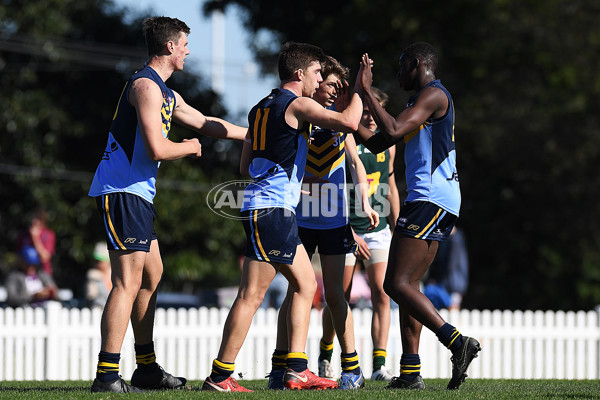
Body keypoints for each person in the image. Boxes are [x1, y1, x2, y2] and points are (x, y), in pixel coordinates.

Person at [87, 16, 247, 393]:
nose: (189, 50)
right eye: (185, 44)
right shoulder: (145, 85)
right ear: (170, 47)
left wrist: (257, 132)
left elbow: (205, 121)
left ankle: (145, 368)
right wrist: (190, 147)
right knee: (126, 282)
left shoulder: (165, 92)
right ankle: (107, 375)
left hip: (138, 194)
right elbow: (159, 146)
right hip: (121, 191)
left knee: (151, 275)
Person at [201, 41, 364, 392]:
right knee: (252, 295)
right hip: (272, 211)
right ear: (299, 73)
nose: (321, 80)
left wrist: (291, 186)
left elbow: (247, 166)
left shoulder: (259, 108)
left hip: (268, 207)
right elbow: (350, 122)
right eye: (318, 73)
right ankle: (222, 375)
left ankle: (293, 370)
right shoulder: (298, 103)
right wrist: (362, 89)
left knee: (305, 285)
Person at [354, 43, 481, 390]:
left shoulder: (434, 95)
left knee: (394, 283)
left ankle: (457, 342)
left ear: (416, 63)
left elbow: (393, 130)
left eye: (400, 66)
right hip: (436, 200)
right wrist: (345, 122)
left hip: (429, 199)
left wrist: (366, 90)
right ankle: (410, 371)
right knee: (409, 285)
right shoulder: (416, 103)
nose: (397, 74)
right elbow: (380, 142)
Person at [289, 55, 378, 390]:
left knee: (336, 295)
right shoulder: (301, 113)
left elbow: (356, 164)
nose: (335, 92)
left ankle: (351, 368)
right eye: (332, 85)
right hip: (300, 217)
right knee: (296, 291)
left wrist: (365, 204)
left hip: (333, 220)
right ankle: (283, 365)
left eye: (342, 88)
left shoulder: (340, 122)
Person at [319, 87, 399, 382]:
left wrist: (397, 223)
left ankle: (380, 365)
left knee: (382, 291)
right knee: (340, 295)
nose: (371, 116)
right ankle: (326, 355)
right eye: (366, 110)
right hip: (347, 227)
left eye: (376, 110)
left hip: (378, 229)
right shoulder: (347, 137)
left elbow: (390, 187)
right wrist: (351, 230)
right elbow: (337, 185)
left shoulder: (388, 146)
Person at [424, 226, 469, 310]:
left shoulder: (455, 240)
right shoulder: (452, 239)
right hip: (452, 283)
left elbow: (451, 264)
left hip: (452, 283)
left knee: (452, 310)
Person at [16, 209, 56, 277]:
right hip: (25, 273)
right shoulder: (24, 234)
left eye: (37, 219)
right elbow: (17, 255)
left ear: (42, 221)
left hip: (42, 273)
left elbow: (45, 257)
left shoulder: (48, 234)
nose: (33, 221)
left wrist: (35, 238)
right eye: (33, 218)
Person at [86, 242, 112, 309]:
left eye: (99, 261)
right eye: (95, 261)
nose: (96, 263)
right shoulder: (93, 276)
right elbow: (90, 295)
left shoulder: (115, 274)